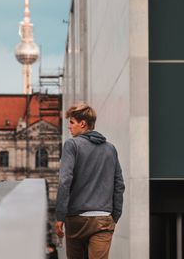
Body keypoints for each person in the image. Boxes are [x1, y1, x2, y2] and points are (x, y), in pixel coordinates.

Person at [55, 103, 125, 259]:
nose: (69, 127)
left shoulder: (72, 145)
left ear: (82, 123)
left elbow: (65, 181)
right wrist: (114, 216)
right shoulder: (110, 149)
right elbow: (119, 185)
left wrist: (60, 216)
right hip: (103, 220)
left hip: (76, 219)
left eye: (72, 122)